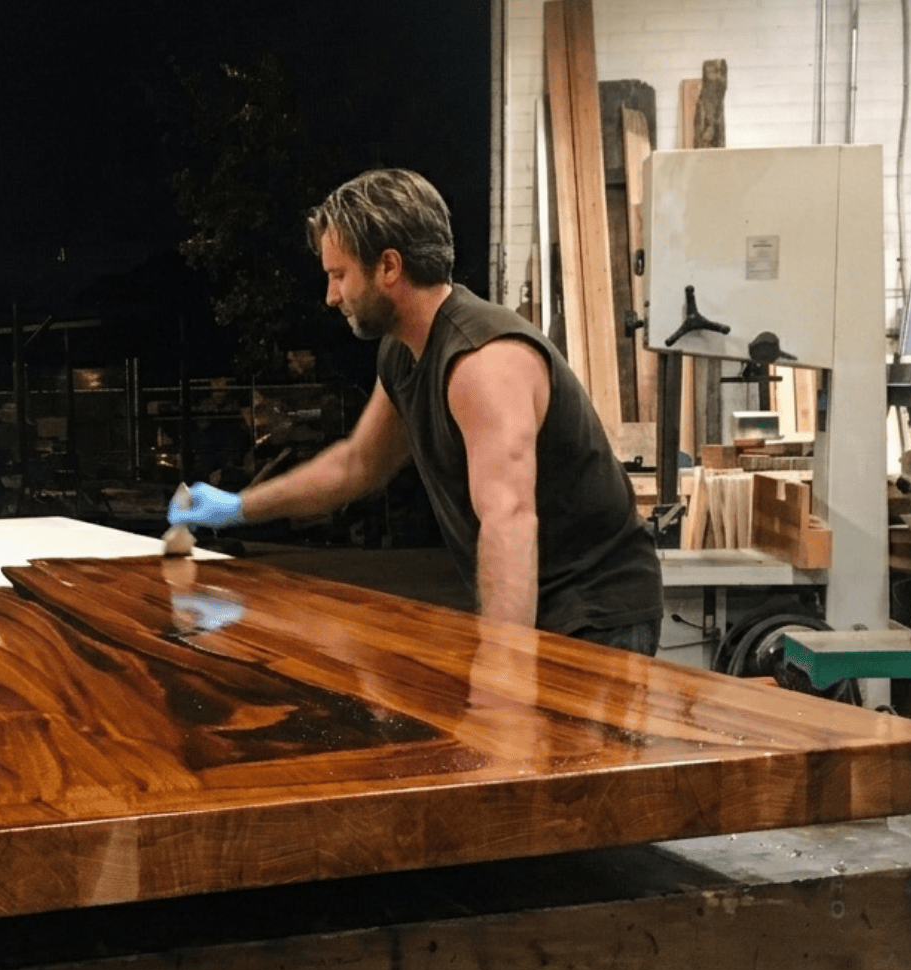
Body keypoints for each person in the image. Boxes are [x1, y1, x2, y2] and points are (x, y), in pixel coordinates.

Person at [167, 168, 663, 654]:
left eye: (339, 275)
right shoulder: (405, 352)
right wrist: (237, 507)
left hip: (598, 616)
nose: (330, 295)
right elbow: (357, 464)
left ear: (389, 266)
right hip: (542, 606)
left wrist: (502, 672)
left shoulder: (482, 360)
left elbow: (508, 518)